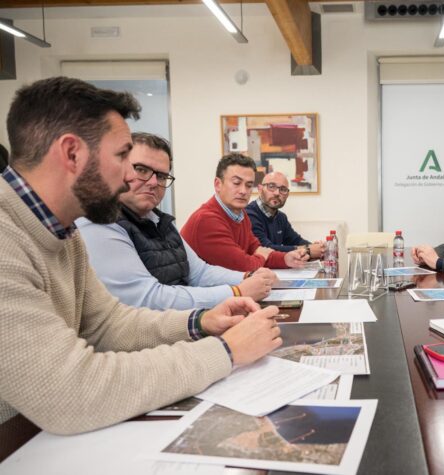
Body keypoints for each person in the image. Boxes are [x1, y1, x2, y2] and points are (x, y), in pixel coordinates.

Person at [0, 77, 283, 435]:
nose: (127, 179)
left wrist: (200, 323)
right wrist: (225, 353)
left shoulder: (63, 231)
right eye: (122, 158)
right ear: (71, 153)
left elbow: (107, 325)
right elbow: (70, 392)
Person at [77, 132, 276, 310]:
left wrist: (246, 277)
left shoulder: (159, 221)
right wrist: (237, 292)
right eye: (142, 170)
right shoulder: (100, 222)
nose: (154, 183)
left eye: (162, 176)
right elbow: (147, 298)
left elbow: (199, 273)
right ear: (121, 169)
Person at [181, 154, 308, 272]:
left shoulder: (241, 216)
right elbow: (243, 265)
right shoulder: (206, 219)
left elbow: (255, 249)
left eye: (248, 185)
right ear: (218, 184)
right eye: (236, 183)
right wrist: (262, 255)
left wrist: (286, 258)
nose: (243, 191)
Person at [246, 171, 325, 259]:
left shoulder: (281, 217)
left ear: (287, 195)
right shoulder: (249, 215)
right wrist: (307, 250)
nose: (277, 193)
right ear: (260, 189)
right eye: (271, 186)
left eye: (283, 189)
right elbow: (265, 249)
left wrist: (317, 248)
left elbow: (296, 240)